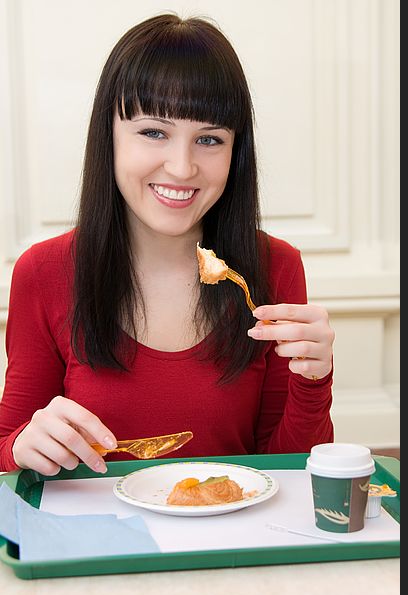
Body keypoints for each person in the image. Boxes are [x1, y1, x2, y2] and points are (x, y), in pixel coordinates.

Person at [0, 14, 334, 475]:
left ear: (236, 153)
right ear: (109, 136)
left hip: (229, 543)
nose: (181, 167)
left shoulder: (275, 267)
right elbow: (7, 445)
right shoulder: (43, 271)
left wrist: (313, 381)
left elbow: (289, 471)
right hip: (98, 543)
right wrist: (22, 446)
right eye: (154, 132)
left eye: (209, 139)